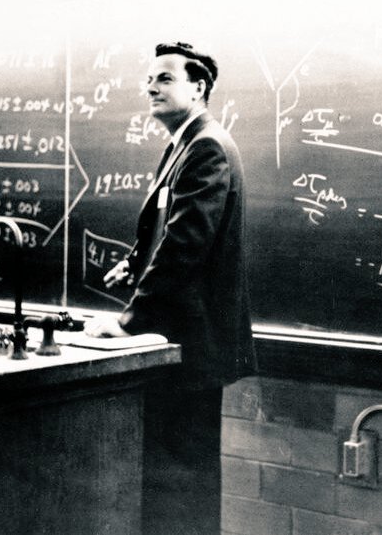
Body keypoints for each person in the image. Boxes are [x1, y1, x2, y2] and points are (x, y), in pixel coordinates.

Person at [84, 42, 256, 535]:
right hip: (178, 343)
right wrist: (134, 261)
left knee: (183, 488)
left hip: (188, 348)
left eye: (164, 78)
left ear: (198, 88)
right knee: (172, 484)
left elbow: (186, 245)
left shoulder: (206, 146)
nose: (150, 87)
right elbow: (172, 228)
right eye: (149, 79)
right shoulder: (184, 144)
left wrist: (128, 323)